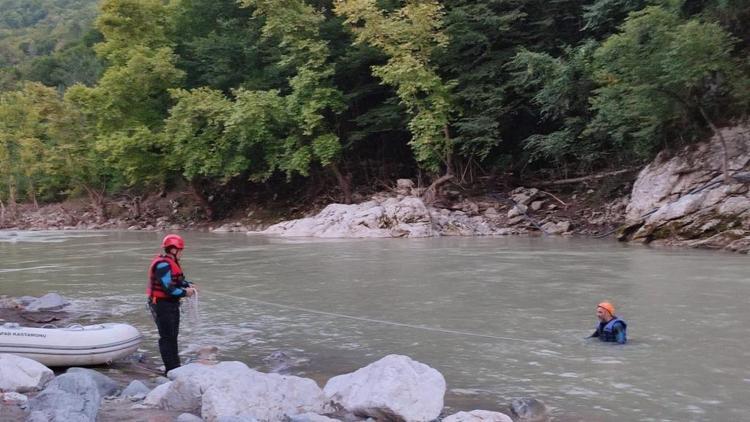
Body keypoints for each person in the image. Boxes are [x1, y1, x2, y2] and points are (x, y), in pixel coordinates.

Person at [147, 234, 197, 373]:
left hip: (171, 304)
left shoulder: (171, 262)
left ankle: (175, 366)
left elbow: (178, 281)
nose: (182, 253)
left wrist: (188, 285)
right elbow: (169, 289)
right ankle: (171, 369)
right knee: (167, 337)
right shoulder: (163, 265)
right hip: (162, 305)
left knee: (173, 335)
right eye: (180, 250)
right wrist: (185, 293)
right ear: (173, 250)